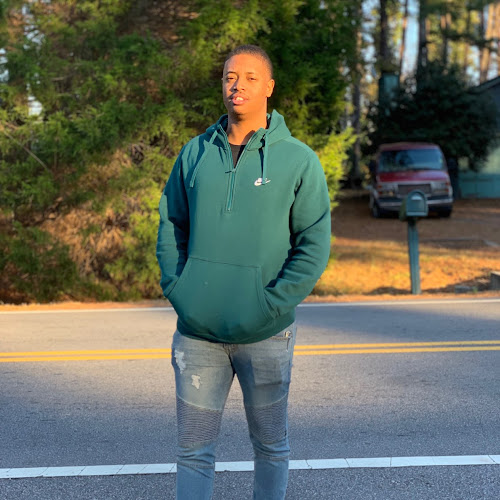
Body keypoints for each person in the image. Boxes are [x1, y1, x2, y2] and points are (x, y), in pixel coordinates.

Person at [156, 44, 331, 500]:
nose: (238, 85)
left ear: (269, 87)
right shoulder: (195, 153)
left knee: (271, 447)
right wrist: (180, 290)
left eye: (251, 77)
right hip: (198, 334)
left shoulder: (298, 160)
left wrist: (272, 304)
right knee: (193, 451)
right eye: (230, 76)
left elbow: (313, 243)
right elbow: (171, 223)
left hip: (267, 334)